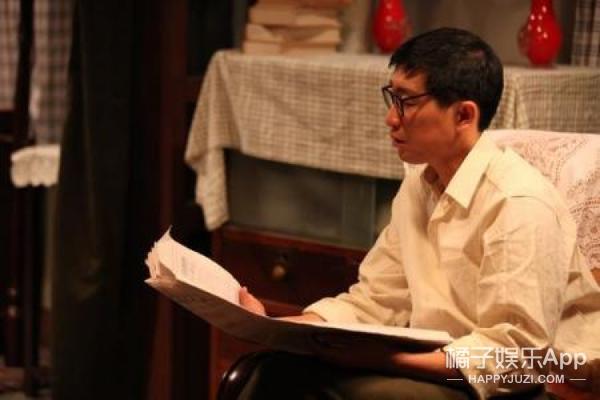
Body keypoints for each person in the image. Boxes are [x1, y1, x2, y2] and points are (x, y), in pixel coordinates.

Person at [238, 27, 600, 399]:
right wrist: (274, 327)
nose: (391, 119)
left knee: (364, 395)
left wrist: (391, 360)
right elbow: (378, 299)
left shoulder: (517, 201)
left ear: (463, 115)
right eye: (392, 98)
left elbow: (516, 359)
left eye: (407, 102)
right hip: (440, 364)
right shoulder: (420, 185)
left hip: (522, 386)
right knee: (268, 371)